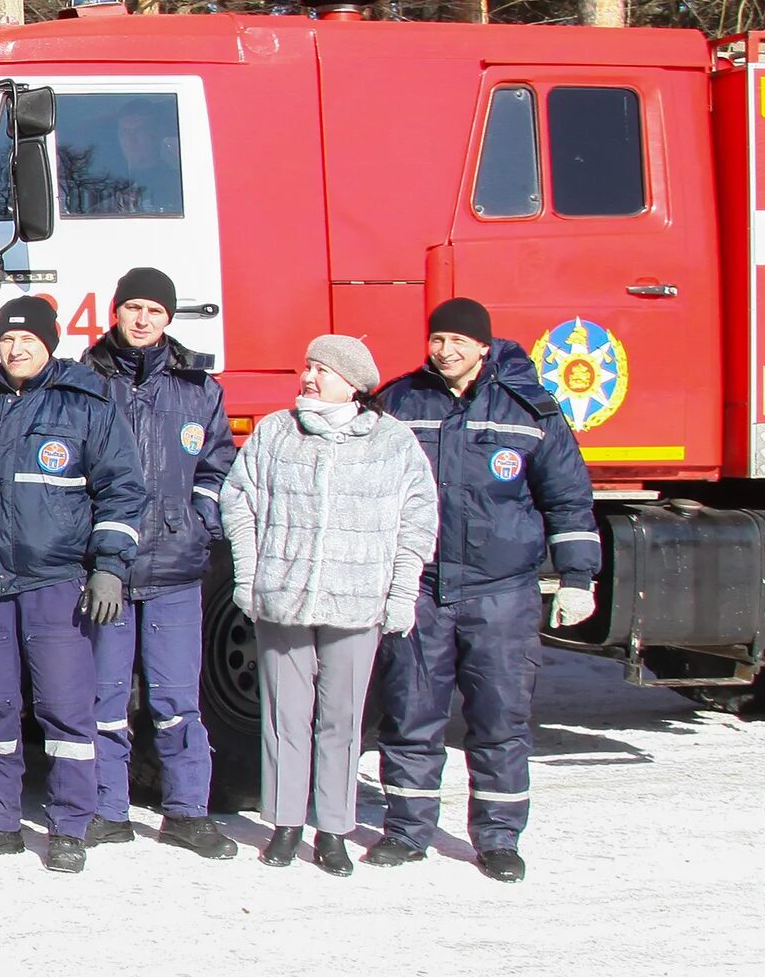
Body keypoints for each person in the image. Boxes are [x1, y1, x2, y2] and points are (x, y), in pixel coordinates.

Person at [0, 295, 148, 872]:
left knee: (65, 707)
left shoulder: (86, 401)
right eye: (7, 339)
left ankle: (70, 825)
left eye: (28, 339)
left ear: (49, 342)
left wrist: (108, 566)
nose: (16, 348)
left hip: (58, 580)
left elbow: (122, 489)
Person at [373, 299, 595, 882]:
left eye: (454, 340)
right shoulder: (399, 402)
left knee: (500, 719)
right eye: (435, 339)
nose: (442, 350)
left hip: (501, 592)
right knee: (410, 713)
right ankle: (406, 830)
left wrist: (577, 577)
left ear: (481, 346)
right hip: (420, 586)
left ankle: (498, 839)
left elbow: (568, 498)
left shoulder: (530, 408)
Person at [219, 335, 439, 872]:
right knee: (284, 717)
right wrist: (249, 576)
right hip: (284, 602)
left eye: (322, 370)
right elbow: (238, 500)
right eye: (308, 367)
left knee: (341, 719)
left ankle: (334, 829)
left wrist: (402, 590)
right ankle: (285, 824)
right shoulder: (275, 433)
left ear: (354, 383)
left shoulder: (392, 443)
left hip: (356, 603)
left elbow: (418, 518)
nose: (309, 378)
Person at [80, 267, 239, 860]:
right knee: (104, 698)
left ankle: (187, 812)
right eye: (133, 308)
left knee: (177, 700)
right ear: (114, 312)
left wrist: (198, 519)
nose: (143, 320)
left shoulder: (198, 387)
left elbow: (219, 467)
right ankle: (108, 810)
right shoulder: (85, 380)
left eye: (155, 310)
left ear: (169, 318)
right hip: (108, 569)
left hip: (175, 565)